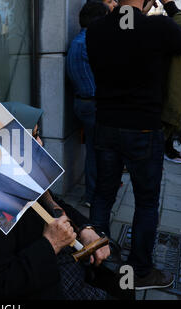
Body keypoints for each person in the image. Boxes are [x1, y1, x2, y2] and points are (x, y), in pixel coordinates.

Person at [0, 102, 126, 300]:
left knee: (123, 282)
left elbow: (55, 205)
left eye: (38, 134)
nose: (40, 144)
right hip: (44, 288)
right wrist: (50, 244)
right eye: (32, 137)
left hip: (69, 269)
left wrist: (85, 228)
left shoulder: (17, 171)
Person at [86, 0, 181, 290]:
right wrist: (172, 8)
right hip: (143, 129)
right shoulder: (159, 27)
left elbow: (122, 32)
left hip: (106, 125)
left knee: (102, 196)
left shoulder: (95, 29)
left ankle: (95, 260)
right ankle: (139, 273)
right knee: (146, 204)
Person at [66, 1, 109, 208]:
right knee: (97, 152)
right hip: (93, 104)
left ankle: (92, 194)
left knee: (94, 150)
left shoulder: (77, 41)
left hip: (81, 103)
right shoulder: (91, 43)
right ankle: (92, 196)